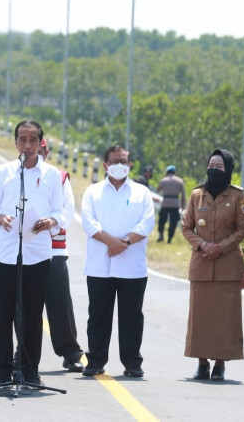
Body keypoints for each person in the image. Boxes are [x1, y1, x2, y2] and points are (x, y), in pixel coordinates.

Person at [0, 120, 62, 387]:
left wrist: (51, 222)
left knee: (32, 314)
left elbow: (60, 213)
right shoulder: (2, 173)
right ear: (15, 142)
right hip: (7, 251)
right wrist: (1, 219)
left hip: (37, 253)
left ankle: (30, 370)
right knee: (4, 313)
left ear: (41, 143)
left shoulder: (52, 175)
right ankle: (2, 371)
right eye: (22, 140)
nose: (27, 145)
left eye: (32, 140)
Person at [80, 145, 155, 377]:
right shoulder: (92, 192)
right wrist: (110, 242)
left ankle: (132, 363)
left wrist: (122, 242)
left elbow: (147, 224)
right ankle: (95, 361)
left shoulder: (141, 192)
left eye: (123, 161)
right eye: (114, 161)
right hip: (99, 266)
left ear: (130, 164)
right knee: (98, 316)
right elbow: (88, 223)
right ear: (105, 165)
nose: (119, 165)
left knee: (132, 317)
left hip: (132, 266)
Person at [181, 149, 244, 381]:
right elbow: (186, 227)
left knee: (225, 318)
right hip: (201, 264)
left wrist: (221, 247)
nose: (214, 169)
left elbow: (243, 228)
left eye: (219, 166)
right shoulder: (196, 195)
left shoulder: (236, 195)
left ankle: (220, 364)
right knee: (200, 317)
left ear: (228, 169)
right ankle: (201, 364)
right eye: (211, 164)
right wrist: (203, 245)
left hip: (227, 265)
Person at [38, 138, 84, 372]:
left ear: (45, 150)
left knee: (60, 303)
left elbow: (66, 213)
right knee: (23, 305)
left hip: (54, 250)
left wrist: (50, 223)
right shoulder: (14, 176)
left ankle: (70, 351)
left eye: (39, 148)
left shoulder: (59, 176)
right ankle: (22, 351)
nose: (36, 151)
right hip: (25, 251)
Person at [156, 165, 186, 243]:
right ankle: (169, 238)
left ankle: (161, 235)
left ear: (167, 172)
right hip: (175, 204)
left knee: (162, 220)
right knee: (173, 222)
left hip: (165, 203)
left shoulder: (163, 180)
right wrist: (182, 206)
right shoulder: (180, 181)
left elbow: (158, 190)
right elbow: (183, 195)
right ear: (175, 172)